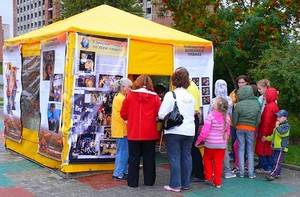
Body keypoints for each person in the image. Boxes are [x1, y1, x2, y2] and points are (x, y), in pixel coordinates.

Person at [120, 75, 161, 188]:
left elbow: (123, 113)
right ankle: (149, 181)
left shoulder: (130, 95)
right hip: (149, 132)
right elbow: (159, 113)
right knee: (149, 158)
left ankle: (132, 182)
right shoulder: (155, 97)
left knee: (133, 158)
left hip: (134, 132)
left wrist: (129, 120)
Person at [158, 69, 195, 192]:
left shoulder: (170, 95)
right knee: (186, 157)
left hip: (174, 131)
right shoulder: (191, 97)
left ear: (174, 81)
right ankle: (185, 184)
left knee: (174, 157)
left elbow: (162, 114)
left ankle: (175, 185)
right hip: (189, 131)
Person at [175, 67, 204, 183]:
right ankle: (194, 171)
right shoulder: (190, 86)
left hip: (190, 118)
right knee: (191, 147)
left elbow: (191, 108)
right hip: (192, 117)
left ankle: (198, 173)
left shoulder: (190, 88)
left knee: (191, 147)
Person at [196, 97, 231, 188]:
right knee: (218, 163)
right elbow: (228, 131)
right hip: (222, 145)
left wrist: (199, 141)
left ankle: (208, 177)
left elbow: (205, 131)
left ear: (216, 106)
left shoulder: (210, 116)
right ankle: (218, 182)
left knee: (207, 159)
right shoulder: (227, 117)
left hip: (210, 144)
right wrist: (225, 140)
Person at [208, 79, 236, 179]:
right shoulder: (229, 100)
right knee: (224, 150)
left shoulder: (214, 101)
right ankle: (227, 171)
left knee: (212, 150)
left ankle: (213, 171)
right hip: (225, 128)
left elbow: (209, 114)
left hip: (213, 128)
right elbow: (230, 113)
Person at [232, 85, 261, 178]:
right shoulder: (256, 104)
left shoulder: (238, 105)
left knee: (241, 149)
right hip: (251, 129)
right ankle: (251, 173)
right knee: (250, 150)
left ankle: (241, 172)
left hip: (240, 128)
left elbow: (234, 118)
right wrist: (254, 126)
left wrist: (236, 126)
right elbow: (258, 119)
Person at [111, 78, 132, 181]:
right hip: (122, 129)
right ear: (123, 87)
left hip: (119, 129)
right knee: (123, 152)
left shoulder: (118, 97)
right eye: (129, 87)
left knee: (123, 152)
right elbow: (123, 115)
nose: (130, 89)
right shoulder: (122, 99)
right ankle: (118, 173)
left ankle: (122, 172)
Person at [255, 87, 279, 174]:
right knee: (268, 150)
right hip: (271, 131)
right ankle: (269, 165)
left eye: (266, 95)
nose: (265, 97)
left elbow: (266, 121)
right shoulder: (275, 105)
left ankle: (266, 167)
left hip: (265, 131)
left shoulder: (269, 107)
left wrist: (264, 134)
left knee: (262, 150)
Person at [262, 109, 290, 181]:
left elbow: (282, 134)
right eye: (277, 117)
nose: (278, 119)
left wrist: (277, 126)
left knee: (277, 161)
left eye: (280, 117)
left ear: (285, 118)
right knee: (275, 160)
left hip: (281, 147)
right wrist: (266, 138)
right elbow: (273, 136)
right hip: (275, 147)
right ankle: (277, 173)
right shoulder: (278, 126)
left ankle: (273, 174)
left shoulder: (286, 126)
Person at [229, 75, 250, 170]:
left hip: (244, 121)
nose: (241, 84)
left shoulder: (249, 93)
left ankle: (245, 161)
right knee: (234, 141)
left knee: (243, 142)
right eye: (239, 82)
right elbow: (229, 104)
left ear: (246, 83)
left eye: (243, 82)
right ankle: (236, 160)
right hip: (233, 121)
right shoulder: (234, 92)